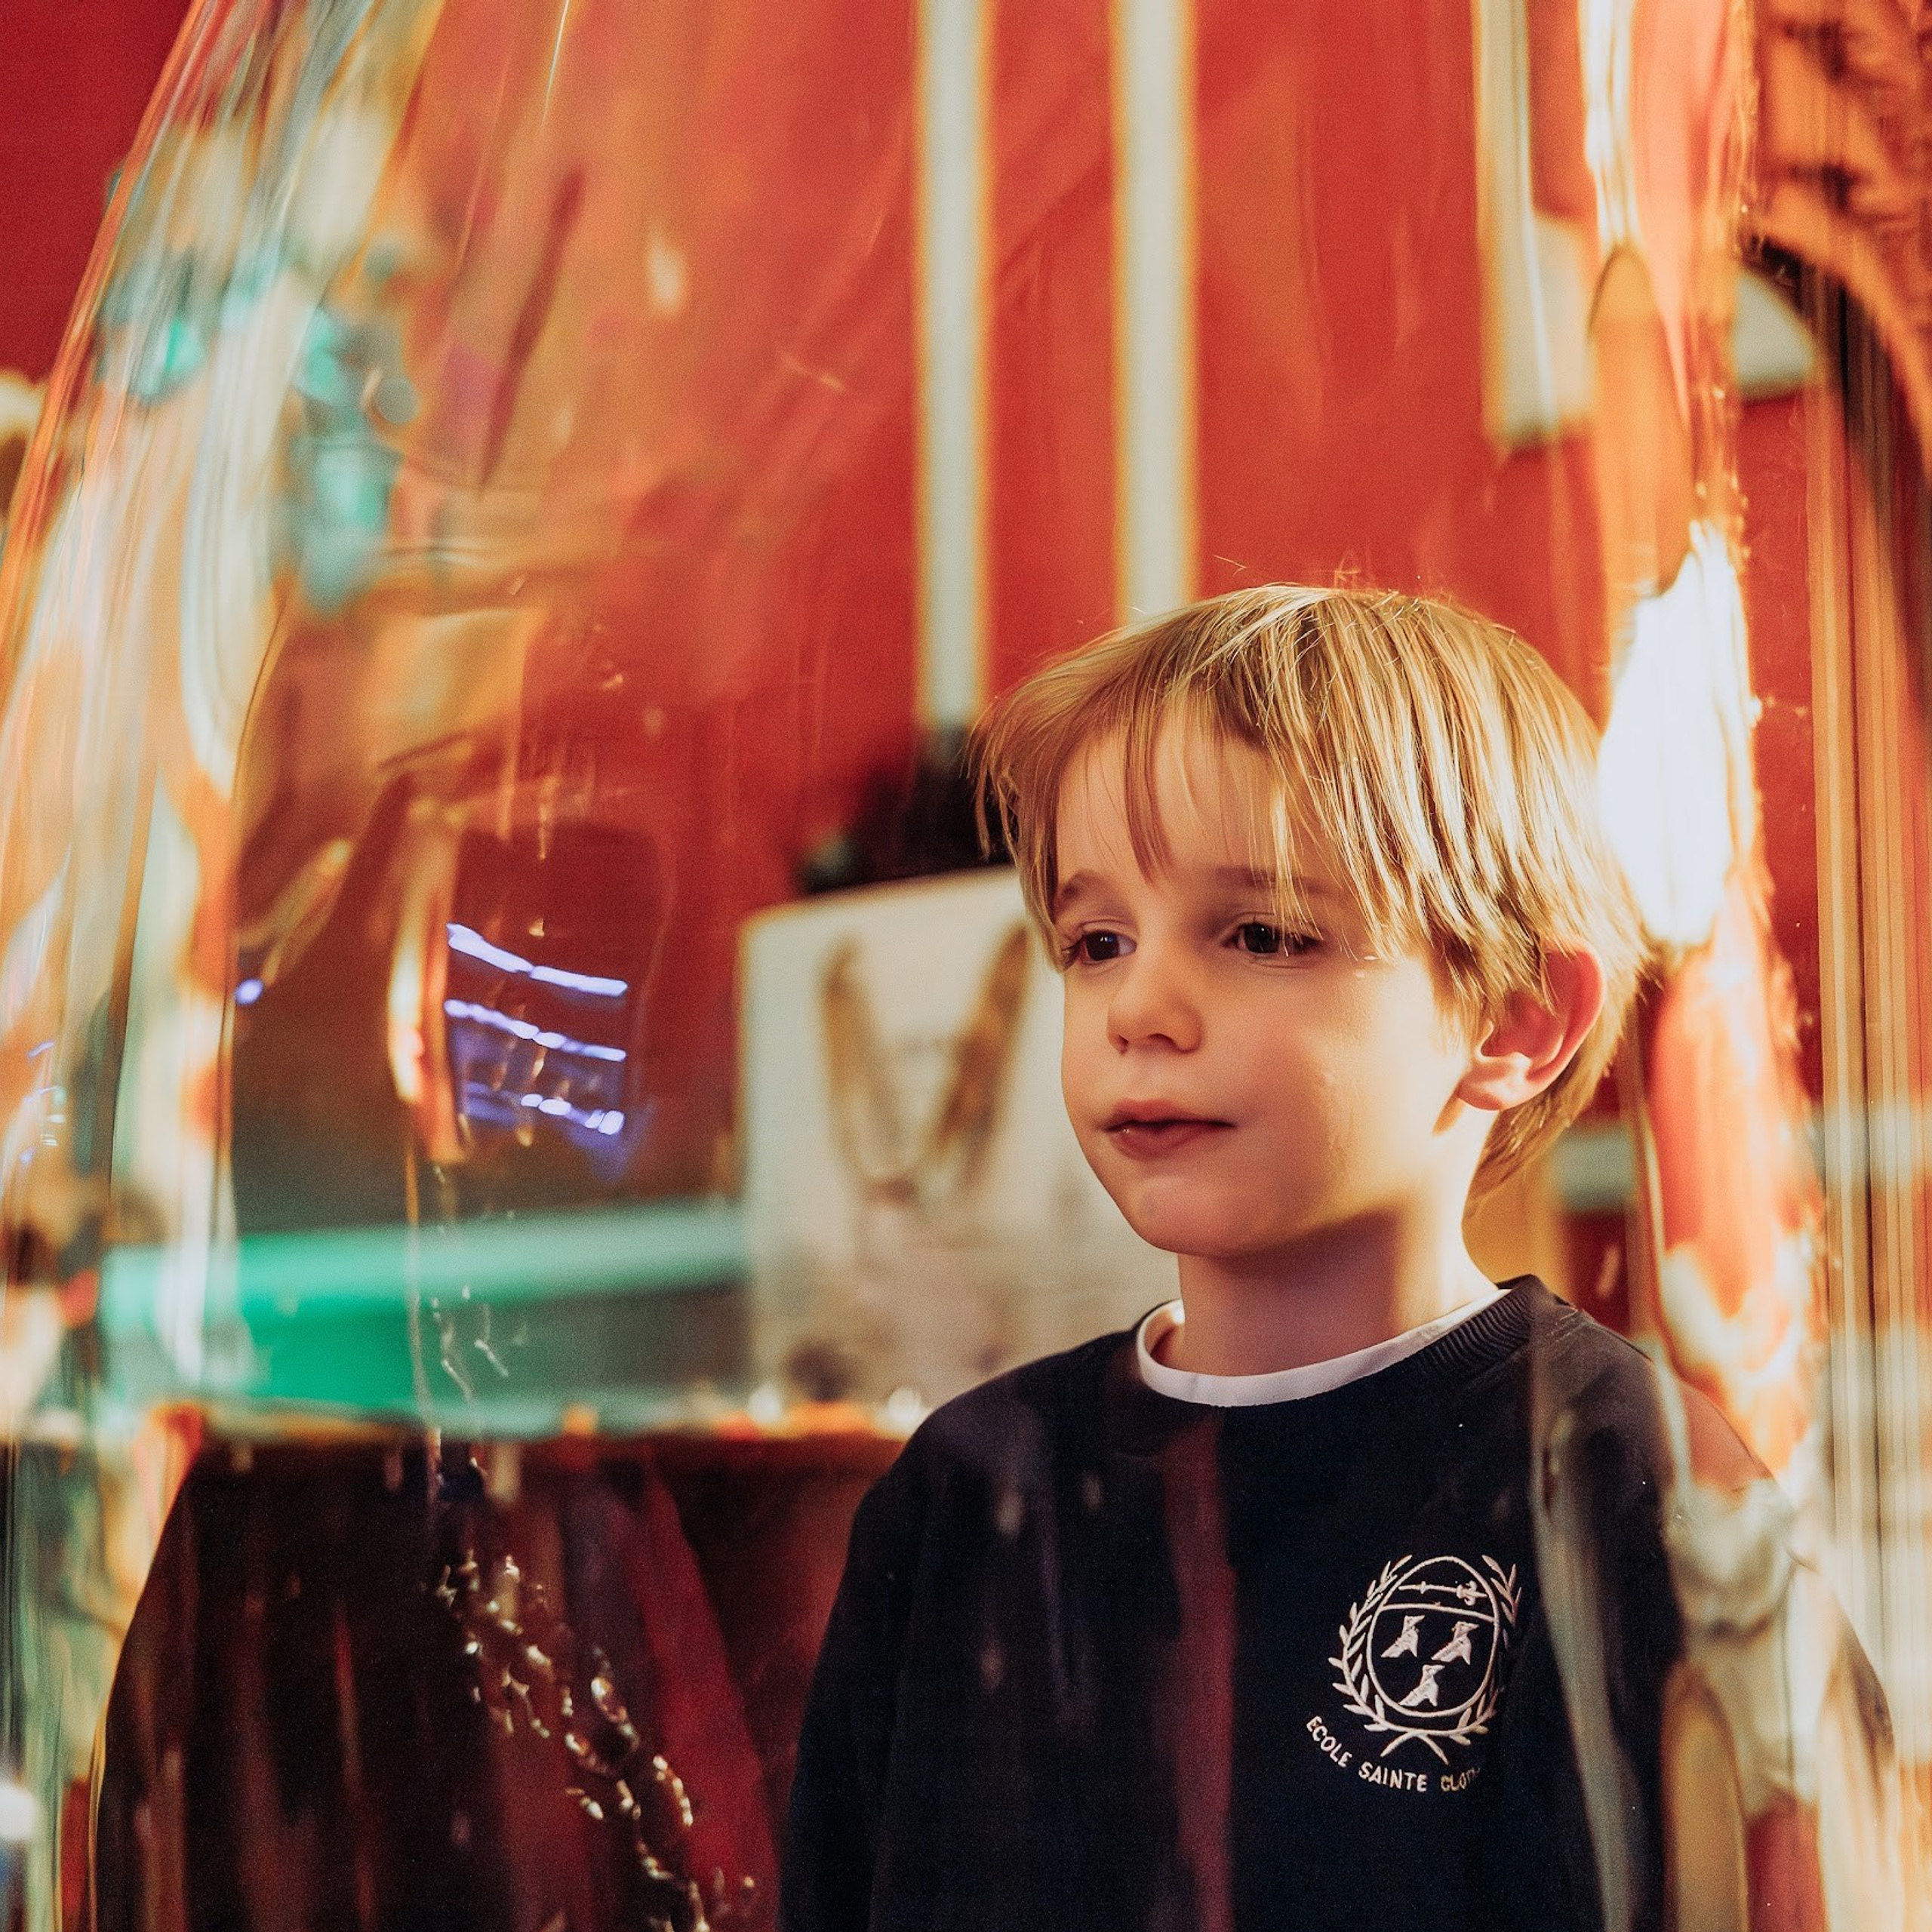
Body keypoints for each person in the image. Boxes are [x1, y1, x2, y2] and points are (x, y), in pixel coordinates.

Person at [780, 584, 1701, 1930]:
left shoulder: (1627, 1483)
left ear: (1513, 1018)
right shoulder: (960, 1495)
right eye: (1096, 943)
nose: (1140, 1007)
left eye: (1263, 934)